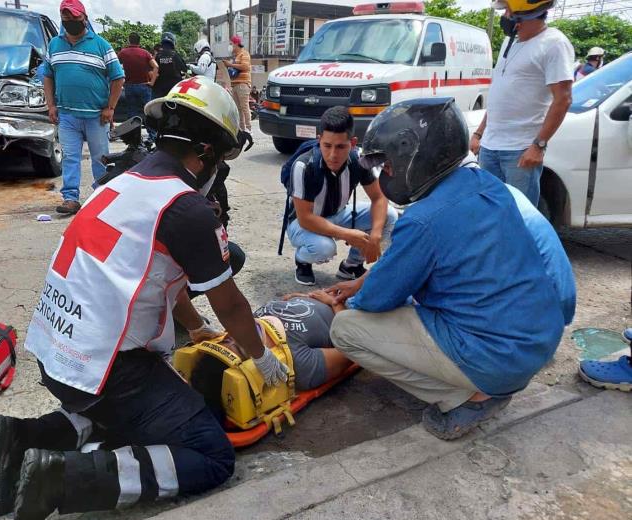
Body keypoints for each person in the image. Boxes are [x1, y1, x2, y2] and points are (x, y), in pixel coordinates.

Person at [0, 77, 290, 520]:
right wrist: (263, 360)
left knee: (125, 416)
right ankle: (61, 480)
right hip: (107, 369)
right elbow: (234, 304)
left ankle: (22, 438)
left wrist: (195, 328)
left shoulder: (119, 184)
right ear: (204, 153)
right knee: (209, 453)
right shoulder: (186, 209)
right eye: (219, 161)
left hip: (55, 353)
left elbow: (161, 276)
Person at [328, 97, 574, 441]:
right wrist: (369, 281)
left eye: (388, 164)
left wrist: (347, 303)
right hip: (539, 340)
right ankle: (483, 380)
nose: (387, 173)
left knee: (346, 330)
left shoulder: (422, 220)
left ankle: (469, 398)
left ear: (413, 154)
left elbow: (376, 300)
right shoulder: (487, 185)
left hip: (498, 359)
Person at [470, 0, 574, 207]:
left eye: (508, 10)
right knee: (492, 211)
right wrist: (479, 133)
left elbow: (563, 99)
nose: (505, 15)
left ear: (524, 14)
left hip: (519, 151)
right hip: (490, 147)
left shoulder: (554, 44)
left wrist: (539, 145)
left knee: (521, 215)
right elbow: (501, 97)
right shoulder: (511, 44)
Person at [190, 289, 352, 422]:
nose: (234, 336)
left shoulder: (242, 323)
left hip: (335, 292)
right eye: (239, 347)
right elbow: (354, 348)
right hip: (355, 307)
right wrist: (335, 303)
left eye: (226, 340)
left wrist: (303, 296)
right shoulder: (302, 367)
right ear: (252, 370)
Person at [286, 106, 398, 286]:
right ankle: (303, 260)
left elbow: (379, 197)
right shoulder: (303, 166)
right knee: (324, 248)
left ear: (353, 143)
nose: (333, 155)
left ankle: (351, 266)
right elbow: (305, 218)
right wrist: (347, 234)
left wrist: (375, 235)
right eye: (327, 145)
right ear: (319, 140)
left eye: (340, 147)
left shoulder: (358, 160)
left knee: (390, 215)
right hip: (301, 223)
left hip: (338, 213)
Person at [42, 0, 125, 215]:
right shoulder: (54, 45)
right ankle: (70, 198)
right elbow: (48, 76)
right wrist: (51, 105)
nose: (70, 21)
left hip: (97, 116)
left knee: (101, 158)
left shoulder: (101, 45)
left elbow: (118, 77)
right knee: (70, 158)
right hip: (67, 114)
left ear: (84, 18)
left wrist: (111, 107)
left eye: (75, 17)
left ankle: (100, 197)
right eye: (66, 18)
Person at [118, 32, 159, 119]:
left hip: (129, 86)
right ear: (139, 42)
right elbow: (156, 66)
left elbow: (116, 66)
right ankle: (152, 132)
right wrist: (152, 82)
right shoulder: (145, 53)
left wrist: (120, 82)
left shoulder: (123, 53)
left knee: (132, 111)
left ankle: (133, 131)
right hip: (144, 85)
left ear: (129, 41)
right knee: (148, 111)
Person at [223, 35, 252, 133]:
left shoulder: (244, 54)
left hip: (243, 84)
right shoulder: (235, 57)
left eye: (231, 44)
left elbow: (245, 66)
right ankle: (242, 129)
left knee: (244, 107)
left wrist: (230, 64)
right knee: (238, 109)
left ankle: (249, 129)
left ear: (236, 44)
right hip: (234, 85)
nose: (230, 46)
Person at [151, 32, 188, 100]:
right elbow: (184, 69)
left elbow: (153, 70)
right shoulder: (175, 55)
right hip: (174, 88)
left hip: (160, 88)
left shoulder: (158, 56)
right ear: (173, 42)